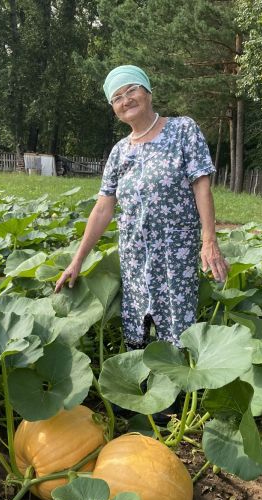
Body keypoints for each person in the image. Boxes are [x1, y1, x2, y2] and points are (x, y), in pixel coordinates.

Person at [55, 65, 228, 349]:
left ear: (147, 92)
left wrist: (209, 240)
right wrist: (78, 259)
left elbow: (201, 185)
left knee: (178, 328)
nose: (126, 100)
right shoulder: (119, 151)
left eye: (132, 90)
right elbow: (102, 209)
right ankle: (144, 383)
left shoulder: (183, 129)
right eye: (117, 98)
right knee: (138, 326)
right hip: (135, 253)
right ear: (114, 108)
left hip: (176, 251)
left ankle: (176, 387)